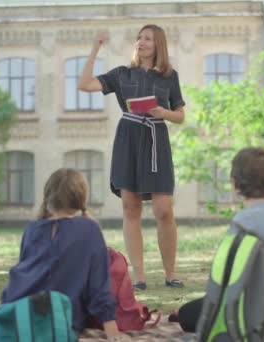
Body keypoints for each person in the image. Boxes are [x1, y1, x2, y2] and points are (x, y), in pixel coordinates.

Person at [78, 24, 186, 290]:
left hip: (155, 139)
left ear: (158, 44)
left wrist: (164, 113)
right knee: (131, 207)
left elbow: (180, 115)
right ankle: (139, 277)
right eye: (139, 38)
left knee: (164, 209)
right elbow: (84, 84)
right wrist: (96, 47)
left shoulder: (170, 77)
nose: (141, 42)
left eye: (148, 38)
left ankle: (170, 274)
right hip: (128, 139)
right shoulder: (121, 74)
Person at [171, 147, 264, 333]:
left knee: (186, 314)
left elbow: (227, 278)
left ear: (233, 183)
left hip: (244, 307)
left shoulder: (242, 223)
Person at [0, 168, 128, 341]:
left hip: (18, 313)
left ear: (48, 195)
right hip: (61, 320)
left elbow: (24, 275)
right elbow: (99, 285)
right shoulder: (89, 229)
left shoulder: (32, 228)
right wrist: (111, 329)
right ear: (81, 197)